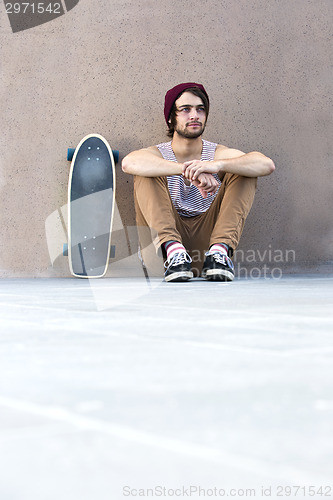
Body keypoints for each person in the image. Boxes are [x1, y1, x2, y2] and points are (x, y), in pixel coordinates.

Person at [122, 82, 275, 282]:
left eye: (200, 109)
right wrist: (188, 171)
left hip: (206, 253)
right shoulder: (157, 153)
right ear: (170, 117)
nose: (194, 115)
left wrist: (217, 166)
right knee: (146, 172)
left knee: (243, 169)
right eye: (185, 109)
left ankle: (219, 254)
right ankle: (174, 251)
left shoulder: (216, 153)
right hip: (161, 255)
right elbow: (129, 163)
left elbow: (265, 164)